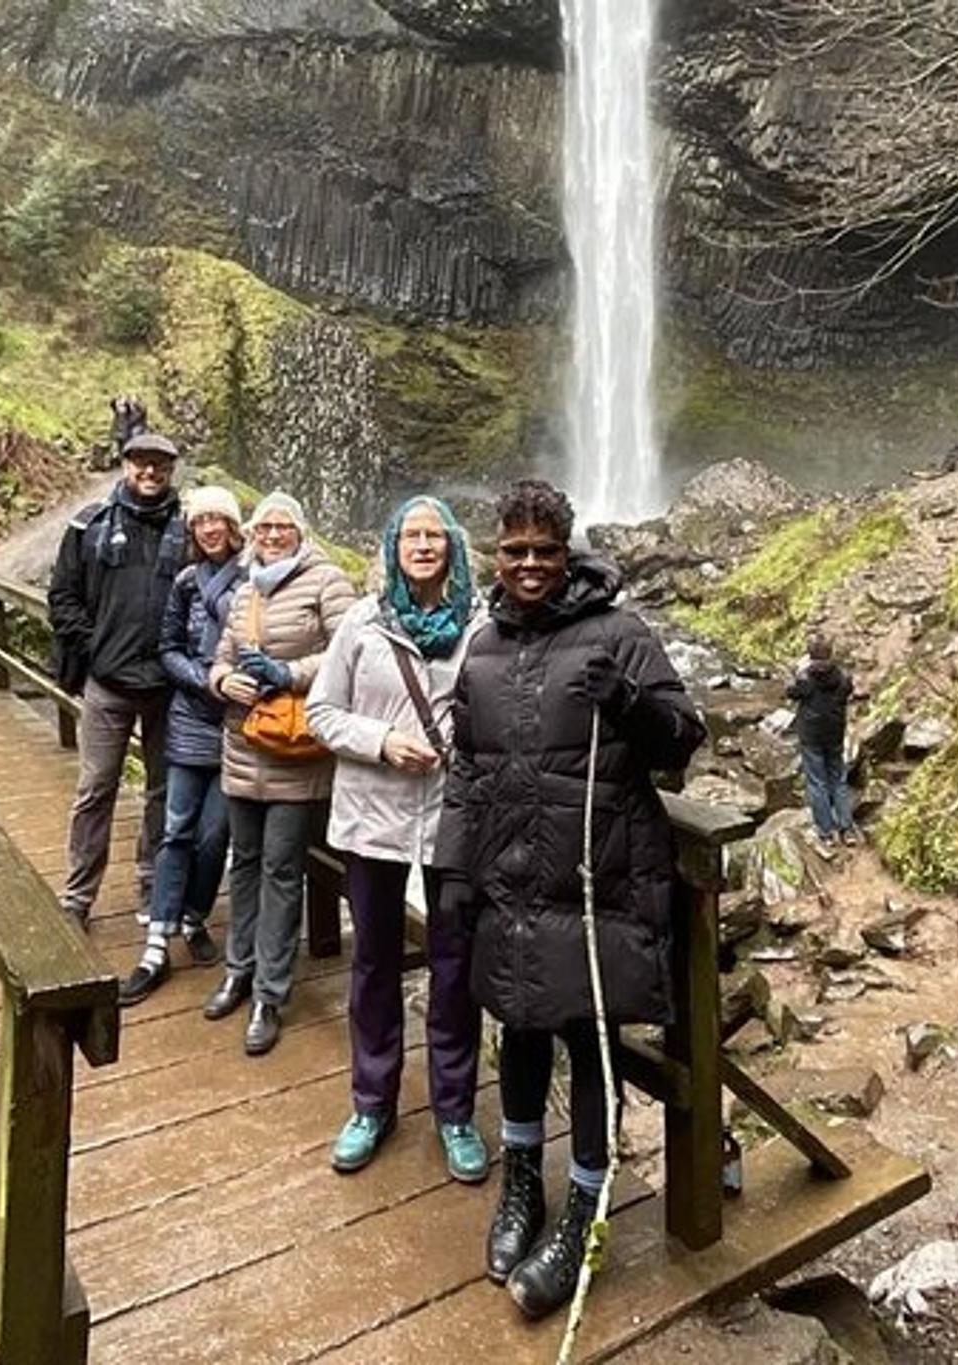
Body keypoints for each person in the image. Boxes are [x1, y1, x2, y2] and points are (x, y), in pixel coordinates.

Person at [436, 478, 705, 1322]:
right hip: (511, 878)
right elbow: (465, 771)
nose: (528, 566)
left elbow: (682, 740)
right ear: (495, 554)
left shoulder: (619, 632)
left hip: (595, 882)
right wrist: (451, 871)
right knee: (516, 1027)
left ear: (567, 552)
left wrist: (626, 700)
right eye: (513, 551)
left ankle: (585, 1209)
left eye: (544, 552)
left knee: (587, 1039)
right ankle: (523, 1187)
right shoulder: (482, 646)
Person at [307, 496, 487, 1183]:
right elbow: (321, 711)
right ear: (392, 545)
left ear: (453, 547)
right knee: (374, 964)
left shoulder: (481, 624)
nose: (422, 545)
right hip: (373, 817)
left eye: (433, 535)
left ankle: (455, 1110)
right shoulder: (362, 621)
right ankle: (371, 1102)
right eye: (411, 534)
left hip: (453, 816)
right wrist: (381, 741)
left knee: (455, 967)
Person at [202, 493, 356, 1056]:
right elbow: (220, 655)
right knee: (242, 862)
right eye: (263, 526)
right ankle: (237, 970)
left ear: (299, 531)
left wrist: (288, 673)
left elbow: (348, 649)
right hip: (244, 743)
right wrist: (223, 682)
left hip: (294, 751)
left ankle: (270, 992)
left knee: (282, 868)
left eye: (281, 526)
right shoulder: (245, 589)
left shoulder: (327, 581)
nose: (271, 534)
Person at [47, 427, 188, 927]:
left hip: (169, 686)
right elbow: (62, 596)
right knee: (96, 787)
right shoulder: (89, 525)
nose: (149, 472)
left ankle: (151, 888)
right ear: (125, 465)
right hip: (108, 683)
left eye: (160, 464)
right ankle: (78, 894)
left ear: (172, 470)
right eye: (140, 463)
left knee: (162, 791)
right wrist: (96, 648)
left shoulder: (190, 528)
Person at [121, 485, 247, 1005]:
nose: (210, 528)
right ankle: (157, 942)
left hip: (238, 725)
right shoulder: (187, 582)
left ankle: (193, 916)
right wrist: (203, 680)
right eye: (201, 522)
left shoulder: (254, 578)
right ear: (193, 530)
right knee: (175, 829)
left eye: (218, 520)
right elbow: (167, 647)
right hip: (191, 717)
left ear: (233, 526)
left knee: (215, 835)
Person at [789, 634, 859, 851]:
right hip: (834, 734)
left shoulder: (806, 679)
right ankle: (846, 829)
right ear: (830, 654)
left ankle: (826, 832)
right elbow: (849, 689)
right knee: (838, 779)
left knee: (817, 782)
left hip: (811, 736)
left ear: (810, 656)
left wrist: (797, 671)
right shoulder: (841, 678)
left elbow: (791, 692)